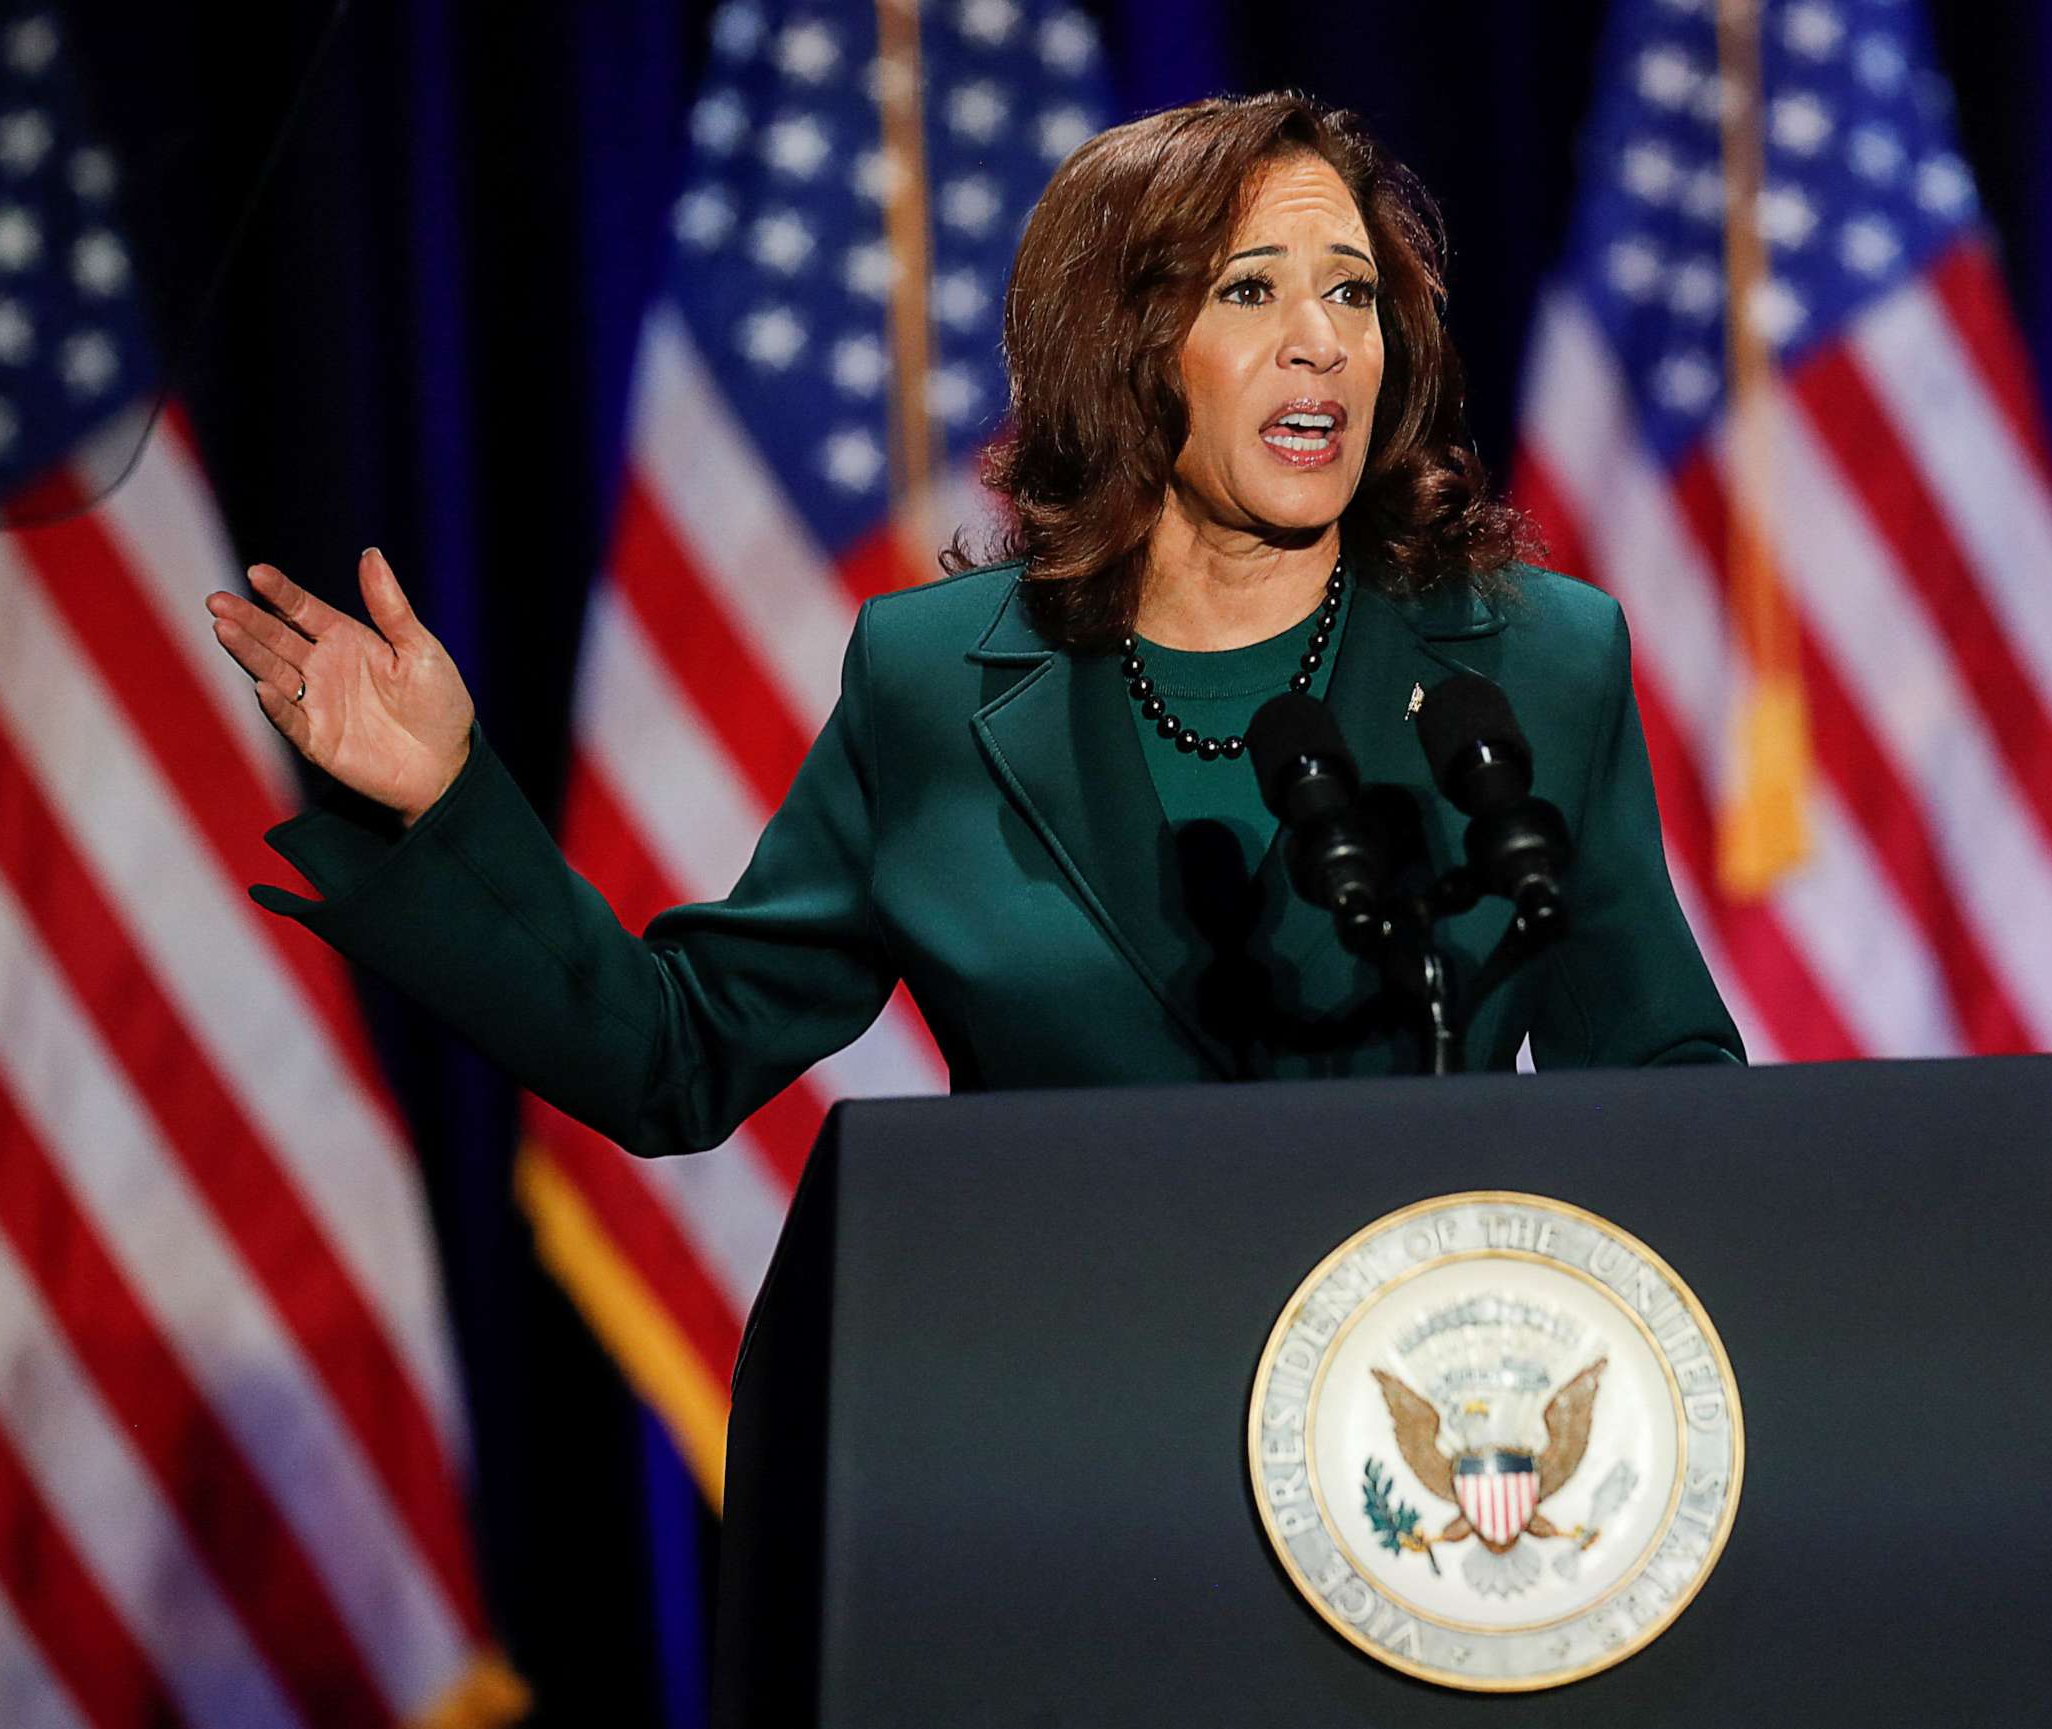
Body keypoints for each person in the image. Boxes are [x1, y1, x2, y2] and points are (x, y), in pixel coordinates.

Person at [203, 93, 1740, 1156]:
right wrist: (448, 801)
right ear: (1132, 354)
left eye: (1354, 291)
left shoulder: (1533, 663)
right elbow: (673, 1055)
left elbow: (1670, 1095)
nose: (1324, 340)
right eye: (1253, 290)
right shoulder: (935, 686)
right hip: (1061, 1459)